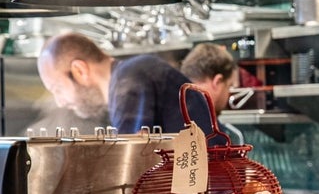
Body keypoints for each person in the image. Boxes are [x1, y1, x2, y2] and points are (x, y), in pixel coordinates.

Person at [37, 32, 201, 135]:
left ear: (79, 70)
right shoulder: (128, 76)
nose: (60, 102)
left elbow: (131, 162)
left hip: (211, 186)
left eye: (57, 89)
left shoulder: (129, 83)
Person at [180, 42, 245, 144]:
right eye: (228, 86)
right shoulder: (209, 131)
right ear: (217, 81)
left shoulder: (171, 109)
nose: (228, 95)